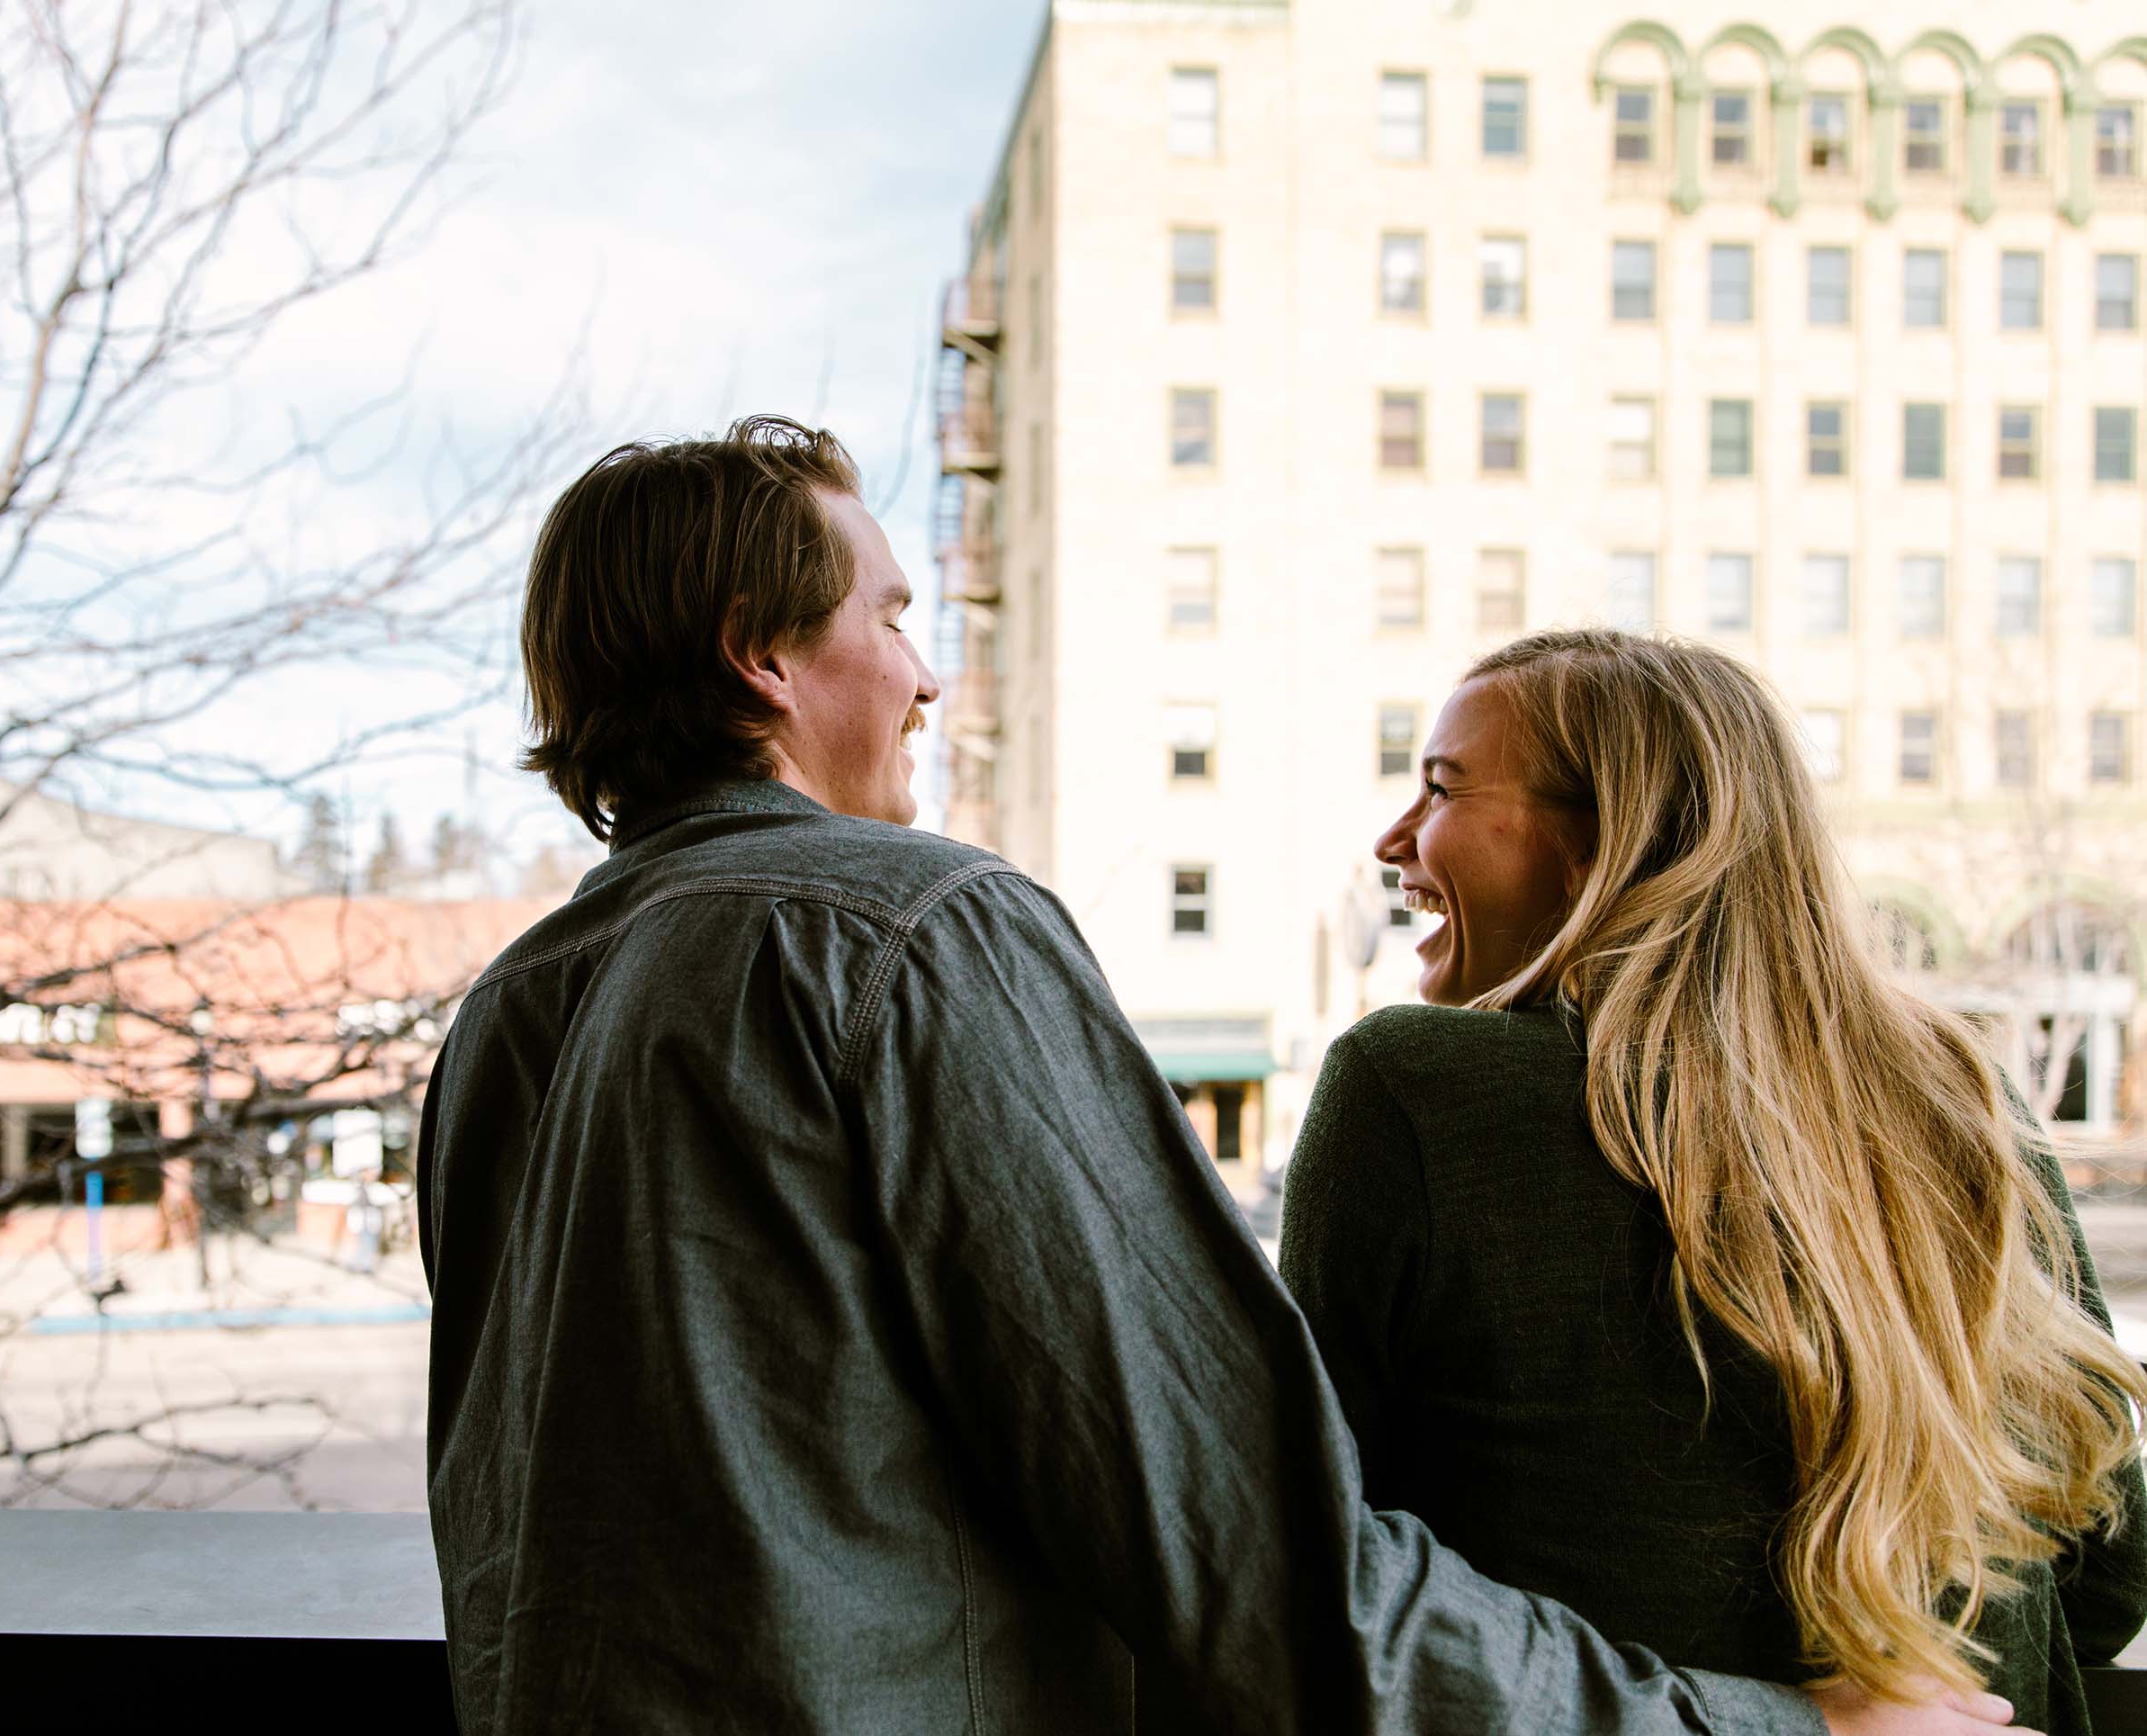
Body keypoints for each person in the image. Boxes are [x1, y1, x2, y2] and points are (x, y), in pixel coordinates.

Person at [417, 418, 2029, 1733]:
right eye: (888, 616)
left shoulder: (509, 1014)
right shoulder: (917, 937)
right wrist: (1769, 1727)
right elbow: (1251, 1557)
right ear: (756, 656)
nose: (924, 673)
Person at [1282, 629, 2147, 1736]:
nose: (1392, 840)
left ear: (1604, 840)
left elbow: (1310, 1566)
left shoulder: (1409, 1090)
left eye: (1441, 788)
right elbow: (2104, 1562)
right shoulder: (1961, 1099)